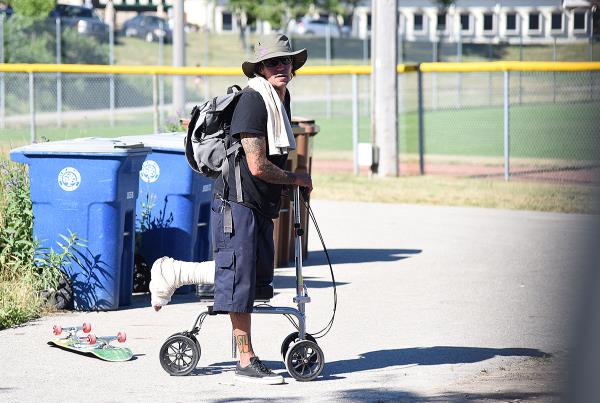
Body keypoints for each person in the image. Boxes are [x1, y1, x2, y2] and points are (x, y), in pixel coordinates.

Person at [211, 34, 312, 384]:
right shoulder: (255, 101)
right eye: (273, 62)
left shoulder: (280, 98)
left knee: (256, 281)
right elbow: (256, 165)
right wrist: (294, 178)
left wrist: (290, 181)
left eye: (285, 61)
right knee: (240, 282)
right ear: (261, 68)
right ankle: (244, 356)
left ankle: (245, 350)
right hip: (237, 204)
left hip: (259, 203)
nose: (280, 67)